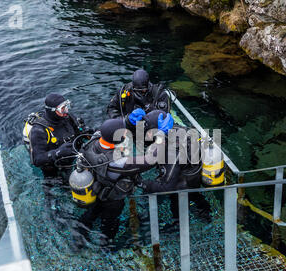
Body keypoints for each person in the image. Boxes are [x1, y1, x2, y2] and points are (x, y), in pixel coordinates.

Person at [76, 118, 156, 250]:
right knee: (110, 222)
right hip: (112, 199)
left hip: (95, 188)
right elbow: (150, 160)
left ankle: (80, 235)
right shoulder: (118, 162)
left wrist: (130, 120)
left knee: (92, 212)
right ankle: (106, 247)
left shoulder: (93, 142)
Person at [137, 110, 212, 225]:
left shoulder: (173, 149)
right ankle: (205, 212)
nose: (147, 135)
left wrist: (143, 183)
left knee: (177, 200)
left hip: (183, 182)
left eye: (149, 132)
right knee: (194, 194)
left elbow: (166, 187)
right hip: (192, 172)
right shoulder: (176, 129)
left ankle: (178, 225)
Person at [24, 93, 88, 178]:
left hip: (73, 157)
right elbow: (37, 159)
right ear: (52, 111)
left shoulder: (67, 117)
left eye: (66, 106)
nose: (66, 111)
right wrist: (58, 152)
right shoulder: (39, 130)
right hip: (55, 167)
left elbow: (79, 133)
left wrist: (87, 132)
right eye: (62, 109)